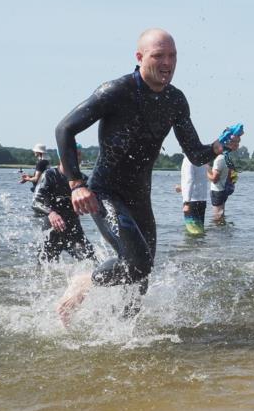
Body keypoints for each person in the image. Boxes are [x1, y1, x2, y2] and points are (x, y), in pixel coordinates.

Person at [54, 28, 237, 322]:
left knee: (140, 279)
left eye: (173, 55)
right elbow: (64, 129)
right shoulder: (115, 91)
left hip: (140, 197)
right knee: (137, 263)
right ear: (140, 58)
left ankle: (123, 338)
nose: (167, 62)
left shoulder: (175, 100)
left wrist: (218, 147)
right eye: (159, 55)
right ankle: (84, 282)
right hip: (105, 192)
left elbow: (195, 154)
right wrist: (76, 184)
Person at [33, 164, 97, 263]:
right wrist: (51, 213)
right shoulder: (50, 174)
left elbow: (98, 199)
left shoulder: (82, 179)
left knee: (93, 263)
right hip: (51, 231)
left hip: (74, 231)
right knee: (42, 271)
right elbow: (36, 202)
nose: (76, 155)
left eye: (78, 154)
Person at [208, 149, 238, 225]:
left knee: (217, 216)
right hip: (224, 190)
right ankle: (223, 233)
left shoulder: (219, 159)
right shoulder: (227, 158)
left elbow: (214, 179)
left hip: (217, 190)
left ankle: (218, 234)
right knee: (221, 214)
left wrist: (206, 170)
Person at [181, 156, 209, 235]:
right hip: (202, 200)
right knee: (200, 230)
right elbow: (199, 179)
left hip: (191, 201)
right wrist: (182, 187)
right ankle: (201, 246)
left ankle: (194, 247)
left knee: (193, 232)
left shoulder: (188, 159)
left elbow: (189, 180)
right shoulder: (201, 159)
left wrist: (186, 202)